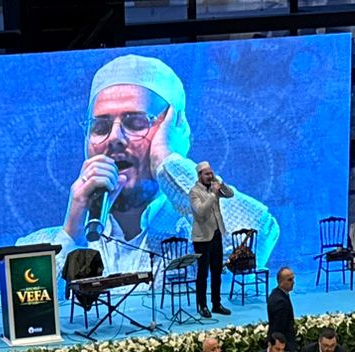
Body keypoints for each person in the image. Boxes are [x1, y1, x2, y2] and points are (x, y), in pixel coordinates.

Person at [22, 54, 279, 286]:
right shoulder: (41, 247)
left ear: (173, 132)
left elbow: (252, 237)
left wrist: (168, 163)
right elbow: (25, 313)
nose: (114, 138)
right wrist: (73, 234)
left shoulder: (194, 238)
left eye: (135, 123)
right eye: (100, 127)